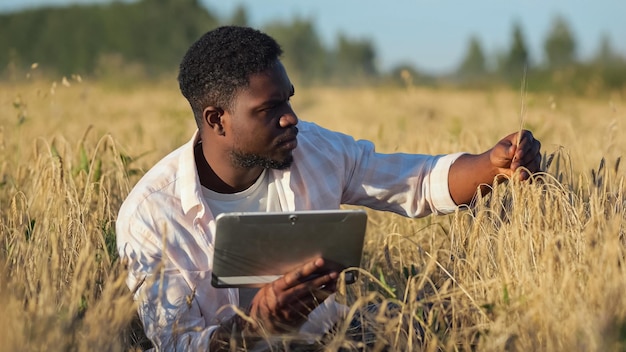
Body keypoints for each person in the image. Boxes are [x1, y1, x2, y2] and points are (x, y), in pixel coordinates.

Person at [116, 26, 541, 351]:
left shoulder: (312, 148)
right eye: (269, 109)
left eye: (288, 100)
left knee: (435, 327)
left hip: (330, 334)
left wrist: (491, 164)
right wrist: (258, 324)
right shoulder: (151, 215)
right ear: (216, 120)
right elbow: (179, 344)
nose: (290, 118)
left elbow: (418, 182)